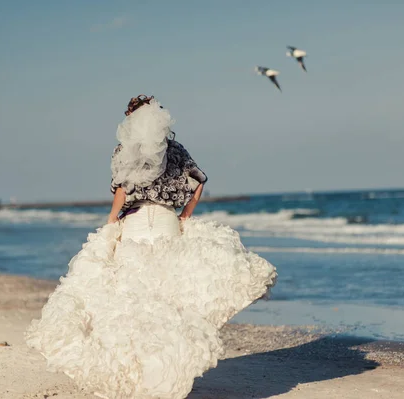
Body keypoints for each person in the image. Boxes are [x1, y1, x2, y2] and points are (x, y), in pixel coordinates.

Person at [25, 95, 277, 399]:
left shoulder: (125, 149)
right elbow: (199, 182)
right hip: (166, 223)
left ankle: (137, 374)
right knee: (166, 300)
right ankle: (165, 370)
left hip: (134, 223)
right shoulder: (176, 151)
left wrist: (110, 221)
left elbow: (122, 189)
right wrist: (184, 214)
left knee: (131, 302)